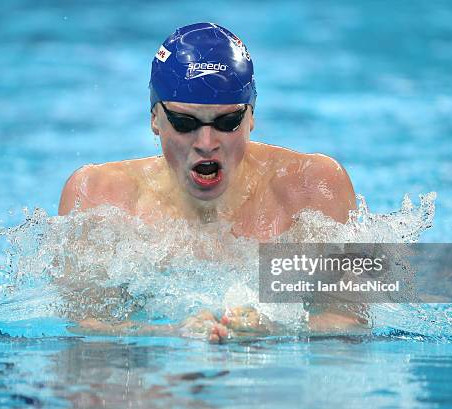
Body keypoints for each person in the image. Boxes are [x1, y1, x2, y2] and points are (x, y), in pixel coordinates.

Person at [59, 23, 363, 342]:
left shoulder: (311, 187)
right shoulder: (101, 195)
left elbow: (353, 321)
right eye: (184, 122)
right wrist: (168, 334)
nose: (206, 142)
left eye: (227, 122)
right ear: (154, 118)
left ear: (251, 116)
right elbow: (83, 328)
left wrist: (276, 330)